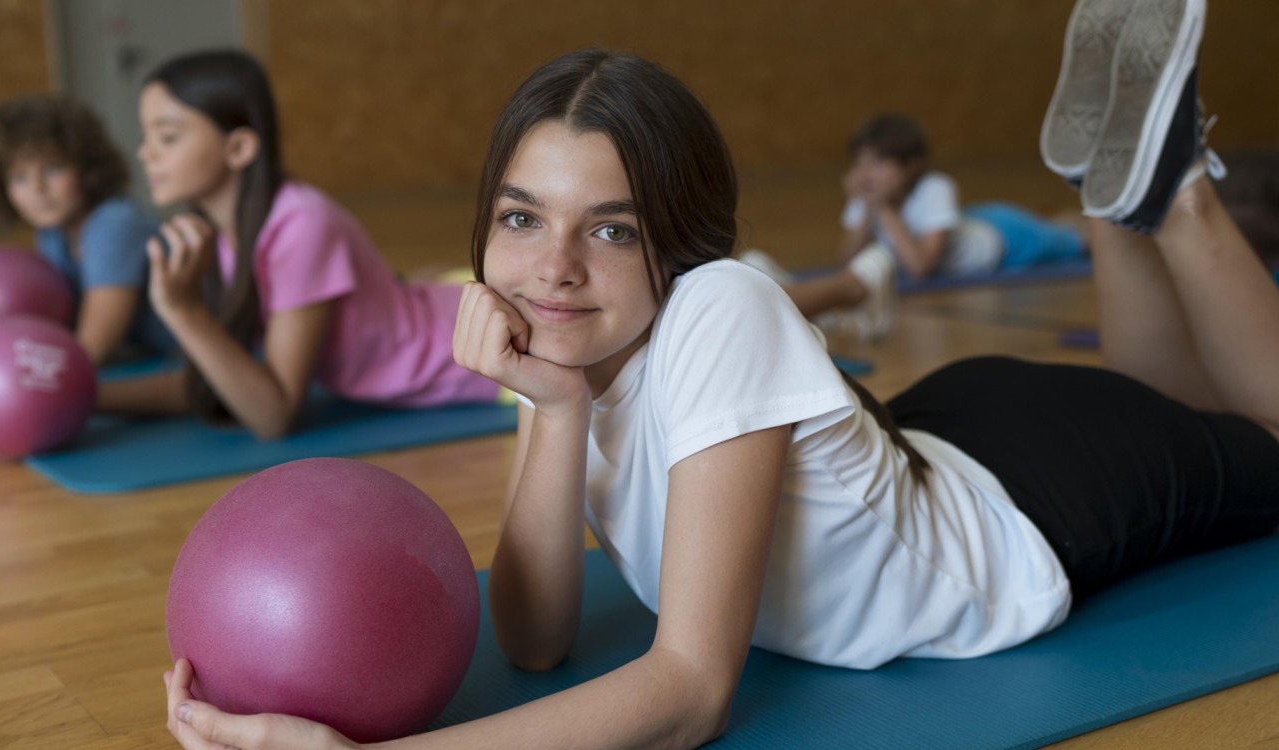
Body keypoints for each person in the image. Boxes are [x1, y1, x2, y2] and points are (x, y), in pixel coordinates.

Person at [162, 8, 1279, 750]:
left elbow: (690, 691)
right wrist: (552, 411)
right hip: (923, 437)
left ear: (678, 244)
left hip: (1025, 508)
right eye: (520, 218)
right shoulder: (545, 338)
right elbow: (536, 638)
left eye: (608, 230)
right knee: (1170, 405)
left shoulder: (719, 305)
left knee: (1254, 441)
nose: (549, 267)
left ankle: (1169, 188)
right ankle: (1104, 198)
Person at [98, 50, 501, 440]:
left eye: (167, 136)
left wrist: (182, 310)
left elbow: (273, 415)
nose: (144, 153)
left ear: (238, 148)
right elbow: (214, 378)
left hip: (488, 354)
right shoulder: (220, 232)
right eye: (144, 135)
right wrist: (85, 399)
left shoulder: (301, 225)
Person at [741, 113, 1090, 341]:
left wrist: (884, 209)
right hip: (971, 221)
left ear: (912, 165)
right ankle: (1064, 217)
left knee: (1076, 239)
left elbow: (921, 268)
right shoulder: (870, 198)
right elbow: (846, 259)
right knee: (1057, 224)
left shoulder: (935, 188)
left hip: (1004, 237)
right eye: (859, 164)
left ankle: (1086, 219)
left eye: (878, 163)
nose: (865, 174)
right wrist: (867, 210)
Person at [0, 95, 173, 363]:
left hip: (183, 366)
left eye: (53, 169)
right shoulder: (52, 233)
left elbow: (86, 354)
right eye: (19, 178)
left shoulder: (114, 223)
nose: (37, 189)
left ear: (86, 168)